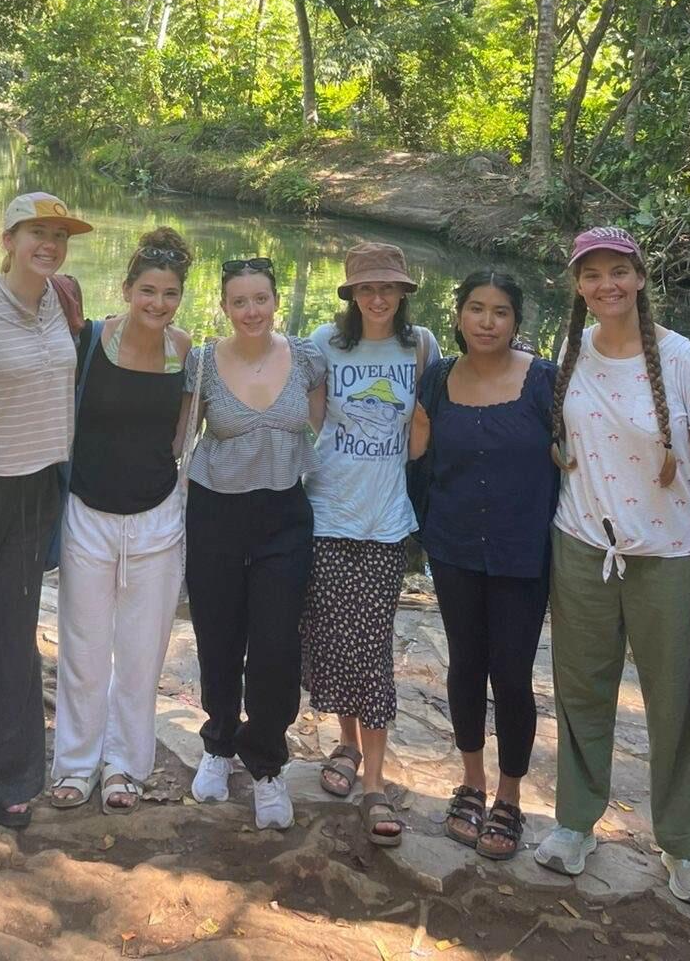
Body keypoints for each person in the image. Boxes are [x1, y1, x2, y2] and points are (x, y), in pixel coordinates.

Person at [535, 227, 690, 909]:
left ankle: (685, 845)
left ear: (641, 277)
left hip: (669, 557)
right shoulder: (569, 353)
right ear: (577, 286)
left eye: (618, 271)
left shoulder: (685, 361)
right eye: (591, 275)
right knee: (581, 691)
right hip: (582, 548)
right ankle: (574, 823)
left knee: (676, 705)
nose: (606, 285)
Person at [0, 191, 92, 831]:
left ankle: (7, 776)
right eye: (37, 232)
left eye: (59, 236)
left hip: (37, 486)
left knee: (13, 632)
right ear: (8, 240)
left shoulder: (62, 299)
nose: (50, 245)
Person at [410, 271, 557, 861]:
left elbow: (576, 456)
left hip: (524, 551)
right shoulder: (438, 378)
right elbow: (417, 455)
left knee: (512, 673)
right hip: (454, 548)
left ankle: (509, 796)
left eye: (500, 311)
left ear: (516, 321)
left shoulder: (544, 381)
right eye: (476, 308)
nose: (487, 322)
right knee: (466, 665)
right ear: (459, 315)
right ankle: (471, 783)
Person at [50, 227, 193, 813]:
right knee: (83, 647)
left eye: (170, 293)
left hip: (157, 518)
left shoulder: (185, 351)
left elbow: (182, 436)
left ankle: (125, 766)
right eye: (148, 291)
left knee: (141, 653)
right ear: (128, 289)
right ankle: (75, 764)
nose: (158, 303)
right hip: (88, 512)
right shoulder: (92, 339)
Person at [182, 255, 326, 831]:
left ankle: (267, 763)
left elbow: (328, 427)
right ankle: (218, 743)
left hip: (284, 515)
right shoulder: (201, 363)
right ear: (224, 306)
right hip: (216, 512)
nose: (251, 311)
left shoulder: (306, 358)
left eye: (260, 299)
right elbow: (179, 437)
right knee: (218, 637)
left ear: (275, 301)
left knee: (275, 646)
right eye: (239, 301)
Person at [302, 242, 439, 849]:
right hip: (328, 511)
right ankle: (347, 744)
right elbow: (312, 420)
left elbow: (422, 433)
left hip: (386, 519)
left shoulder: (421, 346)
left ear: (404, 293)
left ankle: (375, 784)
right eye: (366, 288)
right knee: (335, 636)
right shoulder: (324, 343)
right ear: (352, 295)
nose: (377, 298)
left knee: (372, 644)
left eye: (388, 288)